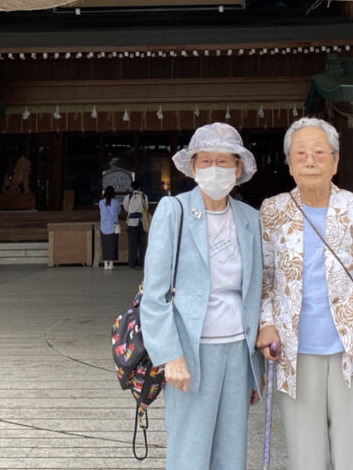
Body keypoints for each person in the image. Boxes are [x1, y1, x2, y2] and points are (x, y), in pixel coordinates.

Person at [256, 118, 353, 470]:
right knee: (306, 454)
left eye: (319, 153)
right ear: (289, 164)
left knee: (352, 452)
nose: (310, 161)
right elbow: (265, 279)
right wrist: (266, 324)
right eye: (301, 154)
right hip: (294, 350)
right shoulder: (273, 211)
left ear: (335, 162)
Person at [141, 123, 264, 470]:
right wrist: (170, 356)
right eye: (205, 160)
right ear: (193, 167)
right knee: (190, 453)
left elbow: (254, 291)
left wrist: (256, 366)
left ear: (238, 168)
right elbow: (155, 294)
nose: (214, 169)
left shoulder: (250, 219)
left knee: (231, 452)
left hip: (238, 351)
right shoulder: (174, 211)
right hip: (192, 353)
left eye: (223, 161)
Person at [122, 181, 148, 269]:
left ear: (132, 187)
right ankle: (141, 263)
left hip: (131, 222)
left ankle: (132, 263)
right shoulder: (144, 196)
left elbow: (126, 208)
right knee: (142, 244)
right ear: (140, 187)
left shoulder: (128, 197)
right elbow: (146, 208)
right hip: (142, 222)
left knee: (132, 244)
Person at [99, 185, 121, 270]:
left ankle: (105, 264)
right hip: (113, 225)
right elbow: (117, 211)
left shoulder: (101, 202)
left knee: (105, 245)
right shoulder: (115, 202)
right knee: (112, 245)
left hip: (103, 226)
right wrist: (115, 221)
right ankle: (111, 264)